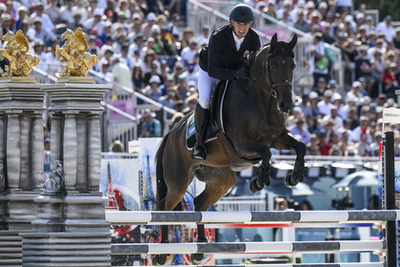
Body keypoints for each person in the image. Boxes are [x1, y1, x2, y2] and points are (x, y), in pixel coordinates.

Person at [191, 4, 261, 161]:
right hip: (211, 71)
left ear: (250, 25)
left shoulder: (254, 39)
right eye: (239, 23)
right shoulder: (218, 36)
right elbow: (214, 70)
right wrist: (236, 74)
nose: (242, 27)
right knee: (204, 100)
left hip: (235, 72)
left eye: (246, 24)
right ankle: (199, 143)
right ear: (232, 23)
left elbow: (254, 66)